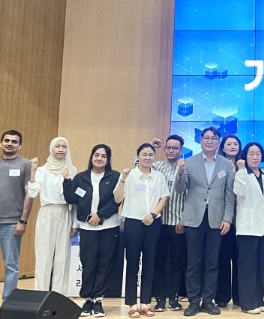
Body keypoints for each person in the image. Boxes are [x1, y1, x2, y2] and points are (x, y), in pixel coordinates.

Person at [176, 127, 235, 316]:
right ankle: (194, 301)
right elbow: (180, 189)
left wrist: (227, 218)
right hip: (194, 218)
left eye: (214, 138)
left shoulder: (226, 164)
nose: (210, 141)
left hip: (216, 219)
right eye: (206, 138)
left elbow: (229, 194)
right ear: (200, 140)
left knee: (212, 263)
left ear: (218, 141)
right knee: (193, 263)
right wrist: (180, 173)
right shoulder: (190, 162)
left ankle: (208, 300)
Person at [63, 144, 122, 318]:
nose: (99, 158)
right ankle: (87, 299)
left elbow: (116, 201)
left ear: (108, 160)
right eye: (96, 155)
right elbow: (71, 199)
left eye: (103, 156)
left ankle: (98, 300)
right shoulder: (80, 177)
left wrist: (100, 215)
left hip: (109, 227)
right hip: (87, 228)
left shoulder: (115, 176)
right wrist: (67, 181)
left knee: (104, 264)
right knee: (88, 264)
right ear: (91, 157)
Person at [0, 130, 34, 318]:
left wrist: (23, 220)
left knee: (11, 264)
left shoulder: (25, 164)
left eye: (14, 141)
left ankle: (8, 302)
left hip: (13, 222)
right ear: (0, 143)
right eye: (6, 140)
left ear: (20, 145)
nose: (9, 143)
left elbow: (30, 194)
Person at [115, 143, 170, 318]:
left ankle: (145, 303)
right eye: (144, 154)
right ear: (138, 156)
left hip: (153, 222)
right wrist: (123, 179)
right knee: (132, 263)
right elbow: (117, 198)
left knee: (150, 262)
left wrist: (153, 214)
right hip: (133, 222)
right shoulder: (129, 175)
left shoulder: (159, 176)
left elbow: (164, 197)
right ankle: (132, 304)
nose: (147, 157)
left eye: (151, 154)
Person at [137, 136, 188, 313]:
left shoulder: (186, 167)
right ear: (164, 149)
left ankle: (173, 297)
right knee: (157, 261)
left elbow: (188, 195)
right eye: (169, 147)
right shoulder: (157, 165)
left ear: (181, 150)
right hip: (156, 222)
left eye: (175, 148)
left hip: (177, 223)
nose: (171, 151)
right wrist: (150, 145)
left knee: (176, 262)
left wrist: (183, 220)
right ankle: (159, 297)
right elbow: (136, 164)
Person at [28, 137, 78, 294]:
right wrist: (33, 171)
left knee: (62, 257)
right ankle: (40, 295)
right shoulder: (42, 170)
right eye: (57, 146)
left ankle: (59, 297)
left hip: (65, 213)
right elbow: (32, 192)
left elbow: (75, 199)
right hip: (47, 213)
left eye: (64, 146)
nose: (61, 149)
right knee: (44, 256)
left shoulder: (72, 170)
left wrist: (75, 223)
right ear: (51, 148)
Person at [234, 142, 264, 314]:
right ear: (245, 156)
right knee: (247, 268)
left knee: (260, 267)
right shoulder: (242, 173)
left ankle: (258, 300)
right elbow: (239, 191)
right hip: (247, 227)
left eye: (258, 153)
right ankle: (247, 303)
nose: (255, 157)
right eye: (251, 154)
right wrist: (240, 170)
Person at [215, 135, 242, 309]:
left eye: (235, 144)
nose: (232, 146)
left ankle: (240, 296)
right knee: (222, 259)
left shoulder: (245, 165)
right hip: (222, 219)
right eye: (229, 144)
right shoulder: (217, 165)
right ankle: (222, 296)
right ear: (223, 148)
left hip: (241, 220)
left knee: (240, 259)